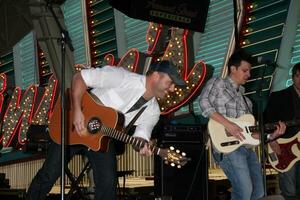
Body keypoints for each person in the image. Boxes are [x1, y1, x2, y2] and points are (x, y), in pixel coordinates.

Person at [26, 60, 186, 200]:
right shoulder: (122, 77)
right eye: (170, 82)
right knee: (49, 173)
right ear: (156, 75)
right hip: (73, 126)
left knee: (108, 182)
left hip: (101, 139)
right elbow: (79, 77)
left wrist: (144, 146)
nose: (172, 89)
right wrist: (77, 110)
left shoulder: (153, 111)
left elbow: (140, 137)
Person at [199, 49, 286, 200]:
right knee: (245, 190)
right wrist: (228, 125)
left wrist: (273, 135)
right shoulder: (218, 83)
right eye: (245, 70)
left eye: (249, 71)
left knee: (258, 192)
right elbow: (204, 104)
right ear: (233, 69)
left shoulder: (247, 101)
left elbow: (253, 134)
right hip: (228, 147)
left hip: (247, 149)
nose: (249, 75)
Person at [264, 63, 300, 200]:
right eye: (298, 76)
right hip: (285, 149)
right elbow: (267, 121)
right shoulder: (279, 96)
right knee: (289, 191)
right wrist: (272, 141)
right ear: (292, 77)